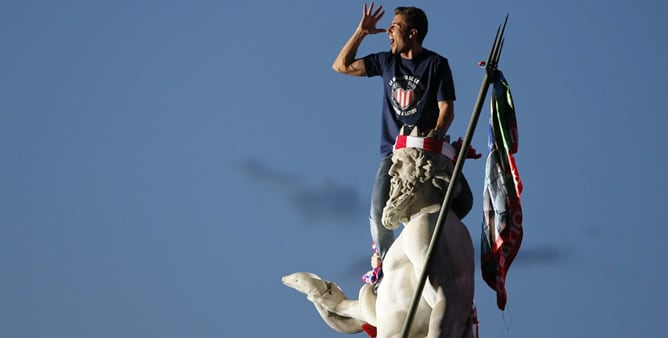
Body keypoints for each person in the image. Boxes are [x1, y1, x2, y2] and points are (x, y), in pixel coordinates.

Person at [332, 3, 473, 270]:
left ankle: (437, 241)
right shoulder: (386, 61)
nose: (388, 31)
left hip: (428, 150)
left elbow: (447, 109)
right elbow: (340, 66)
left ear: (413, 33)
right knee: (377, 213)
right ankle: (386, 268)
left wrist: (435, 137)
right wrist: (361, 32)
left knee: (465, 200)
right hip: (394, 153)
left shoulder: (436, 64)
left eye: (394, 27)